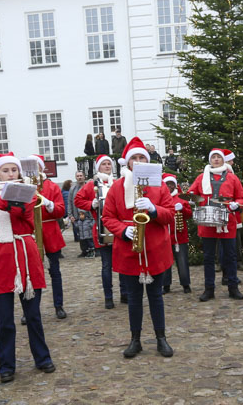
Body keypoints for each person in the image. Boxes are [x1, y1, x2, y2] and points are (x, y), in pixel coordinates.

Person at [0, 153, 55, 382]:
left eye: (14, 170)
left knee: (33, 315)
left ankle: (42, 358)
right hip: (0, 260)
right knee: (4, 321)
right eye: (5, 171)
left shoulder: (25, 192)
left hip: (26, 258)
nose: (11, 174)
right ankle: (7, 365)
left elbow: (18, 210)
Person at [102, 139, 176, 357]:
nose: (138, 161)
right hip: (129, 251)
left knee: (156, 296)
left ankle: (161, 338)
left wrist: (154, 209)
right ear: (128, 162)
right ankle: (135, 339)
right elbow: (108, 217)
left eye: (142, 157)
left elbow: (170, 214)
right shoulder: (117, 187)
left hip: (155, 249)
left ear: (148, 160)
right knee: (133, 298)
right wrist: (122, 231)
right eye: (134, 158)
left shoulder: (159, 185)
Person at [188, 147, 243, 301]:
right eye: (213, 157)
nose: (216, 159)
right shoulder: (201, 177)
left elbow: (241, 198)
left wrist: (236, 204)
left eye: (218, 157)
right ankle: (209, 289)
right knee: (208, 257)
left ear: (223, 160)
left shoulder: (232, 178)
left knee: (230, 256)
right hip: (207, 222)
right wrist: (191, 198)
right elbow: (191, 193)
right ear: (210, 160)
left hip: (227, 222)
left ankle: (233, 287)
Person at [74, 154, 124, 307]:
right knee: (106, 265)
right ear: (98, 167)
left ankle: (125, 293)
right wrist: (91, 204)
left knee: (123, 263)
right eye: (104, 164)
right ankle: (108, 297)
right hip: (101, 228)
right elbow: (78, 200)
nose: (107, 166)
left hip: (118, 228)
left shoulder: (118, 182)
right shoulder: (92, 184)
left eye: (109, 164)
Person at [29, 155, 69, 319]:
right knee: (31, 274)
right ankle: (31, 308)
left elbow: (61, 210)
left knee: (55, 271)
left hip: (50, 230)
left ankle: (58, 305)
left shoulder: (52, 186)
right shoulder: (24, 186)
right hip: (31, 232)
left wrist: (49, 203)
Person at [161, 173, 192, 294]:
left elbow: (189, 214)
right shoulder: (161, 198)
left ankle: (186, 284)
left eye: (171, 184)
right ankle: (165, 285)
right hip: (164, 236)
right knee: (165, 262)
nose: (169, 186)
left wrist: (183, 209)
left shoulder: (181, 198)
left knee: (182, 261)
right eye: (167, 184)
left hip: (180, 236)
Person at [68, 172, 94, 257]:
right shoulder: (73, 189)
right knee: (80, 233)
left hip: (89, 215)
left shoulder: (90, 187)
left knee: (89, 233)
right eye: (77, 176)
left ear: (84, 177)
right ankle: (84, 250)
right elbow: (70, 202)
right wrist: (70, 215)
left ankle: (92, 249)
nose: (79, 178)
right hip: (77, 215)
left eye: (81, 176)